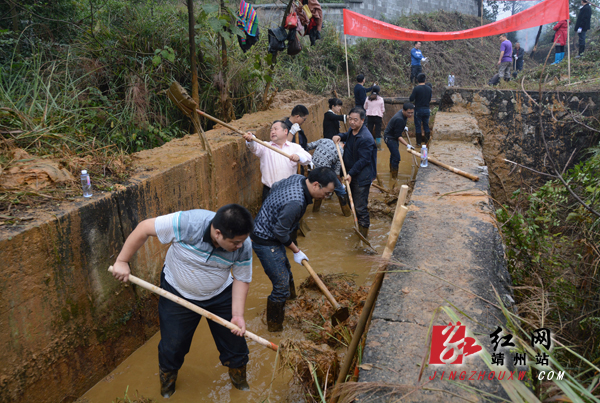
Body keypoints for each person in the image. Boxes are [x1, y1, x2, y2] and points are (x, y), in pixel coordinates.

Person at [110, 204, 255, 396]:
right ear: (218, 233)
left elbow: (241, 278)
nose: (240, 246)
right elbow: (144, 228)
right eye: (236, 243)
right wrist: (122, 260)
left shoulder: (244, 245)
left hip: (220, 294)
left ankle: (239, 382)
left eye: (242, 241)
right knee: (172, 347)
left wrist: (237, 315)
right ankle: (168, 386)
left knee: (236, 345)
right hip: (177, 293)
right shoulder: (187, 223)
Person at [252, 167, 337, 332]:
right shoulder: (296, 202)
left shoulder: (298, 178)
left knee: (286, 271)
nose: (326, 198)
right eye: (327, 193)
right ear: (316, 185)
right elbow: (279, 232)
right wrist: (296, 251)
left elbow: (276, 186)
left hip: (269, 231)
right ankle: (275, 329)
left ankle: (291, 303)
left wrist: (272, 209)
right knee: (281, 286)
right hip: (265, 240)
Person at [332, 108, 377, 238]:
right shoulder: (353, 131)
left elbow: (364, 160)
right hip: (351, 173)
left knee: (360, 207)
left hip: (361, 177)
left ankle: (363, 235)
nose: (352, 122)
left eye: (355, 120)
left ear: (362, 120)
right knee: (354, 204)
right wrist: (340, 135)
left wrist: (350, 173)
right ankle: (359, 228)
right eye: (350, 119)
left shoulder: (366, 138)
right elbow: (347, 135)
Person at [243, 121, 312, 202]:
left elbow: (308, 158)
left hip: (289, 190)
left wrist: (299, 157)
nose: (273, 132)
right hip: (270, 190)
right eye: (271, 130)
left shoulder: (294, 147)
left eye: (276, 129)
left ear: (285, 131)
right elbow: (254, 146)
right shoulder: (265, 146)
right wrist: (250, 139)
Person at [306, 138, 351, 216]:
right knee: (341, 192)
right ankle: (347, 214)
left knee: (319, 188)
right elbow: (336, 174)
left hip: (313, 169)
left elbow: (308, 146)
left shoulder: (324, 140)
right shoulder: (341, 151)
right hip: (324, 172)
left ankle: (315, 212)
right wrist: (340, 183)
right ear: (343, 145)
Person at [383, 103, 414, 179]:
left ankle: (391, 172)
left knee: (393, 155)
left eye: (412, 112)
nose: (410, 114)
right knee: (397, 157)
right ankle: (394, 177)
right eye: (408, 113)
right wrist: (407, 145)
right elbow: (398, 136)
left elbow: (397, 128)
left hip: (393, 136)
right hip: (390, 138)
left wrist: (403, 127)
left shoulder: (403, 114)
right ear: (404, 110)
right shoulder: (399, 119)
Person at [409, 74, 432, 147]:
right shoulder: (429, 89)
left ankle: (418, 143)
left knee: (418, 126)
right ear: (425, 80)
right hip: (427, 109)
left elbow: (411, 99)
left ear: (417, 80)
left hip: (418, 109)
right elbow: (429, 99)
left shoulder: (416, 88)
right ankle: (427, 143)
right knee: (426, 126)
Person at [364, 85, 385, 151]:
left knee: (369, 130)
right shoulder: (381, 99)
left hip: (369, 116)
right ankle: (379, 147)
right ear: (378, 91)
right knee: (378, 131)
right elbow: (383, 110)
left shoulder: (368, 98)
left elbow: (365, 107)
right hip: (378, 117)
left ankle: (369, 145)